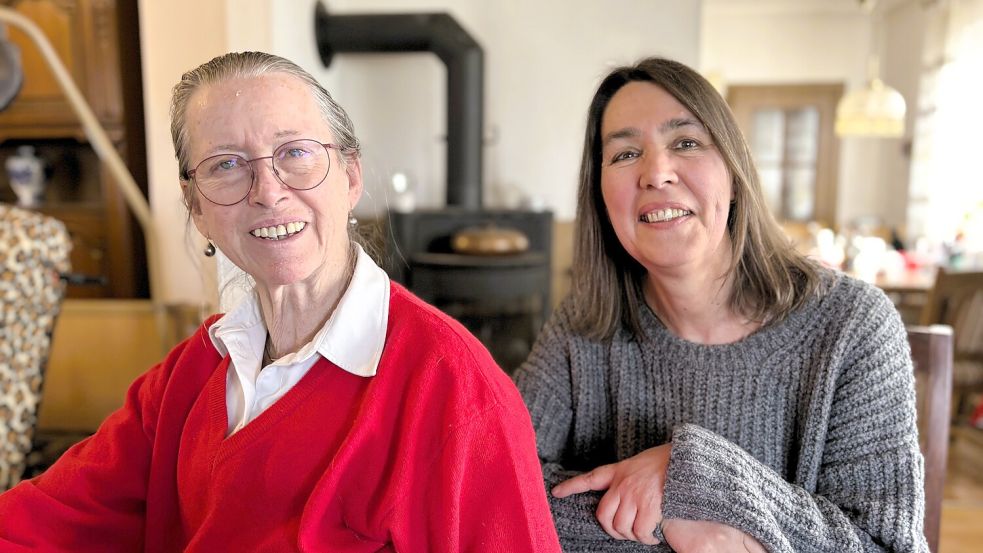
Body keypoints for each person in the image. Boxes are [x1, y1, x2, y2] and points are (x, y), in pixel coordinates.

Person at [0, 51, 561, 553]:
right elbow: (38, 521)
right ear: (196, 207)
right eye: (226, 164)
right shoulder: (186, 379)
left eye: (295, 153)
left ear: (350, 176)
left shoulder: (453, 389)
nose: (267, 191)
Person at [513, 57, 927, 553]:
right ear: (601, 196)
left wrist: (699, 475)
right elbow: (494, 489)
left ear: (733, 171)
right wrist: (682, 529)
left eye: (686, 143)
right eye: (624, 154)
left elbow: (886, 546)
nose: (656, 173)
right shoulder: (582, 327)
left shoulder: (854, 326)